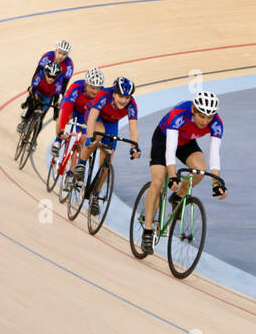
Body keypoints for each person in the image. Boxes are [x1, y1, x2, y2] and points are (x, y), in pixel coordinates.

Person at [141, 91, 226, 252]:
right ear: (193, 110)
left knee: (200, 170)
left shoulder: (216, 123)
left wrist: (216, 182)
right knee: (158, 182)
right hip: (164, 139)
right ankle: (147, 230)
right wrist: (172, 176)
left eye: (209, 118)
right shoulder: (179, 115)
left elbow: (215, 155)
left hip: (186, 141)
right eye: (202, 116)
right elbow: (170, 149)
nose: (205, 121)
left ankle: (178, 196)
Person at [74, 76, 141, 219]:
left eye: (127, 97)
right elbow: (91, 118)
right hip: (96, 117)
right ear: (114, 93)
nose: (124, 100)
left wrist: (134, 146)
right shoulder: (104, 95)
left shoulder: (132, 105)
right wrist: (90, 137)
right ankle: (81, 164)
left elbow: (133, 128)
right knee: (98, 134)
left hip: (112, 123)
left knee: (107, 160)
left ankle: (95, 196)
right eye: (121, 96)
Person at [51, 67, 107, 170]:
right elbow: (67, 108)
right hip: (73, 108)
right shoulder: (76, 87)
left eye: (98, 88)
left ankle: (71, 174)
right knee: (62, 114)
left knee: (82, 143)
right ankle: (57, 141)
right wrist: (63, 128)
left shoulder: (102, 93)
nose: (95, 91)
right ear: (86, 84)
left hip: (85, 114)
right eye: (92, 87)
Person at [17, 60, 66, 132]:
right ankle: (24, 121)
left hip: (47, 97)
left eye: (53, 77)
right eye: (49, 76)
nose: (50, 79)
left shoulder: (58, 82)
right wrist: (32, 96)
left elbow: (56, 96)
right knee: (32, 104)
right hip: (38, 92)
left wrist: (56, 108)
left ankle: (34, 139)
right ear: (45, 73)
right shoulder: (39, 76)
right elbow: (33, 89)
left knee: (42, 116)